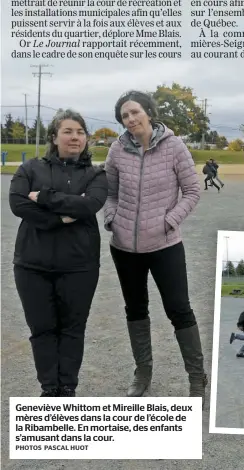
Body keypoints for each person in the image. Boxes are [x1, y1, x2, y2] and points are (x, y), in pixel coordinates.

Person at [103, 90, 208, 407]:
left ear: (148, 112)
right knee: (135, 310)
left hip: (165, 245)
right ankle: (143, 374)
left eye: (135, 112)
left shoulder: (174, 146)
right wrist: (112, 218)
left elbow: (192, 191)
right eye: (125, 116)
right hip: (124, 247)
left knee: (179, 308)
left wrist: (170, 220)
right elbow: (109, 193)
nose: (131, 119)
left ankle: (196, 377)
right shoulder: (117, 150)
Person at [9, 109, 108, 397]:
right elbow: (18, 203)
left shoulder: (96, 174)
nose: (75, 137)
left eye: (80, 132)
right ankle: (49, 388)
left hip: (79, 266)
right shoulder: (30, 168)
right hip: (32, 264)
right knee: (42, 329)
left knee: (73, 329)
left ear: (86, 138)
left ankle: (67, 388)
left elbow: (90, 205)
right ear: (54, 137)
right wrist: (60, 218)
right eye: (68, 131)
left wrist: (44, 198)